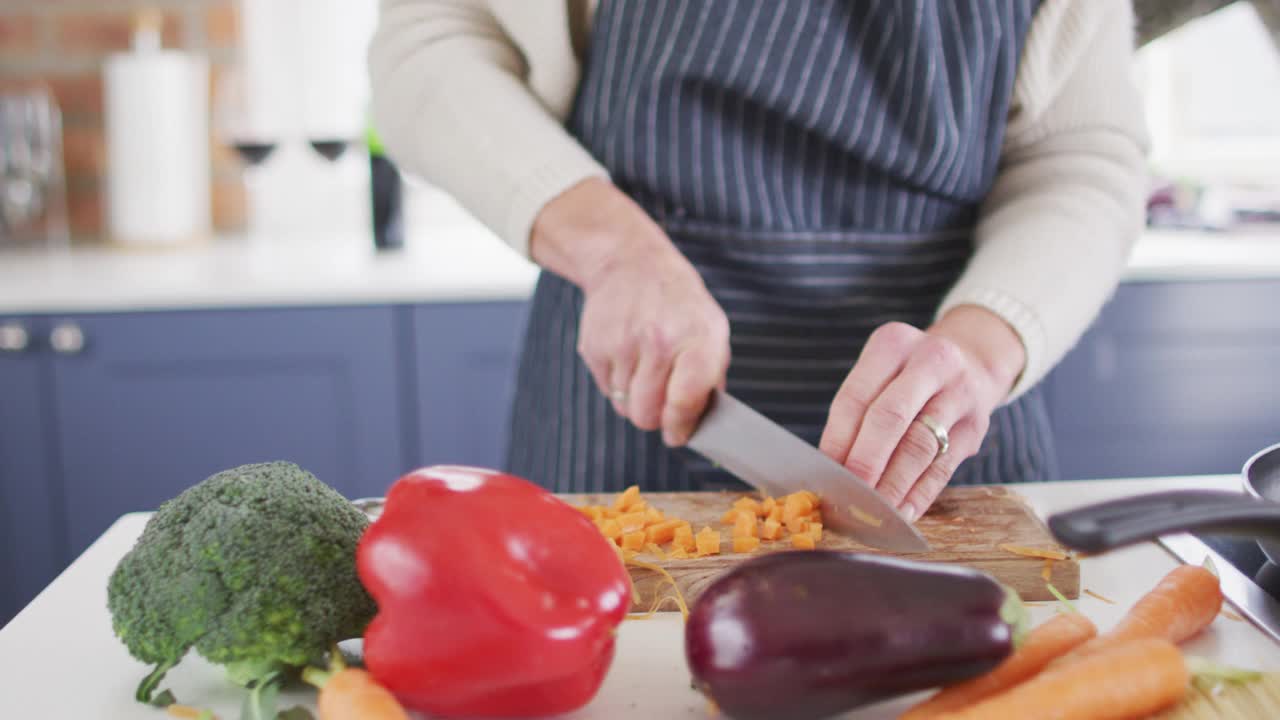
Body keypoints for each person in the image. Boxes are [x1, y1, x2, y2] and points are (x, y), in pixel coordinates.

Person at [368, 0, 1150, 519]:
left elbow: (1081, 156)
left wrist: (981, 349)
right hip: (627, 385)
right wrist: (614, 249)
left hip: (948, 415)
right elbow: (432, 47)